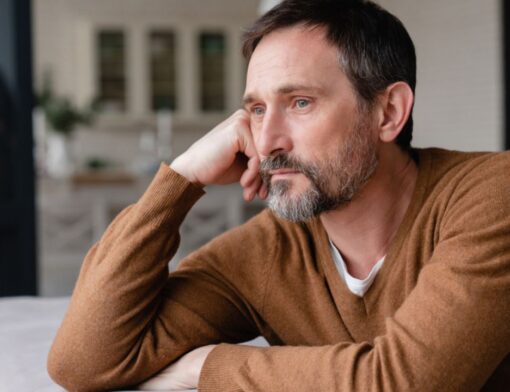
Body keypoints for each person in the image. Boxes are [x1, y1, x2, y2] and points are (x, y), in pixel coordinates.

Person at [48, 0, 510, 390]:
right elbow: (81, 361)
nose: (266, 140)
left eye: (300, 103)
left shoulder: (493, 193)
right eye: (256, 109)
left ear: (388, 112)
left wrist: (204, 367)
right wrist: (183, 179)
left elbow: (403, 382)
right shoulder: (269, 251)